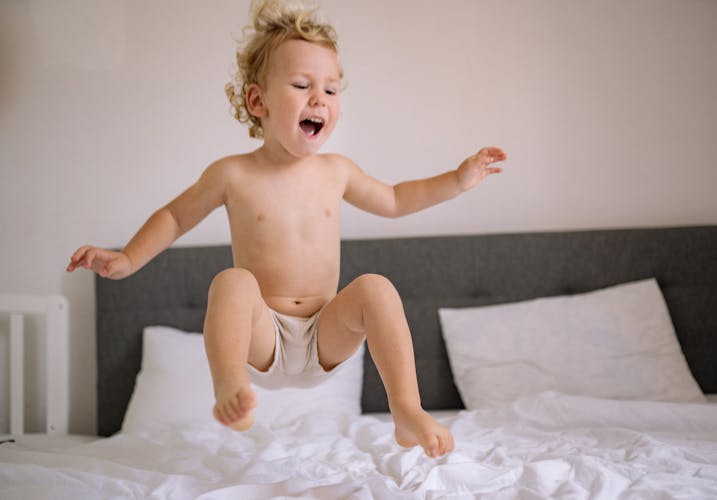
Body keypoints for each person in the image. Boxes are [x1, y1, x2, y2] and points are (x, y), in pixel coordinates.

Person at [67, 0, 506, 458]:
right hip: (264, 338)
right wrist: (128, 257)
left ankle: (406, 410)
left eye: (331, 90)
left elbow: (396, 199)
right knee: (233, 282)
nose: (320, 99)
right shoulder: (232, 174)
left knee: (376, 288)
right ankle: (230, 387)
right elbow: (175, 216)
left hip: (324, 333)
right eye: (302, 85)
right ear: (259, 101)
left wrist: (457, 180)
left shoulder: (337, 171)